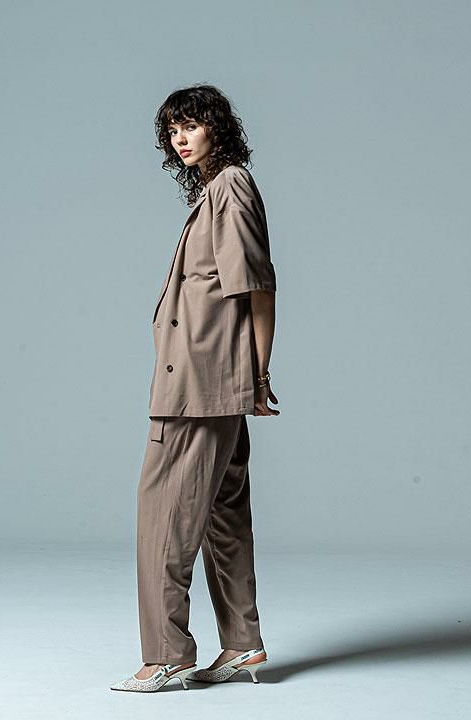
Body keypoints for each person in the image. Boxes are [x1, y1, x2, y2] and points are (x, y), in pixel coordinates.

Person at [111, 84, 280, 693]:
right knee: (222, 514)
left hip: (201, 387)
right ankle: (243, 643)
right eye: (172, 130)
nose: (180, 139)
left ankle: (168, 655)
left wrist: (258, 374)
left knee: (165, 513)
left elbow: (257, 288)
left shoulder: (230, 186)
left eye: (191, 126)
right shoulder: (216, 191)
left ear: (217, 129)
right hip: (208, 382)